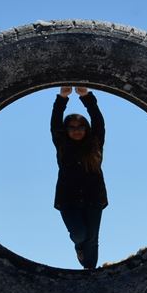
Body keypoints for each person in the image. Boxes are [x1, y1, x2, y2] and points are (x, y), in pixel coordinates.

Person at [51, 85, 107, 269]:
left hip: (94, 197)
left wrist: (87, 97)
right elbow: (55, 124)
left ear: (87, 129)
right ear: (66, 130)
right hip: (68, 199)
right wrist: (62, 98)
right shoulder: (62, 144)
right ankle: (79, 248)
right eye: (72, 127)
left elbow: (98, 122)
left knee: (92, 239)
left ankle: (90, 272)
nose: (77, 130)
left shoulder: (95, 143)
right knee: (79, 234)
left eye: (81, 127)